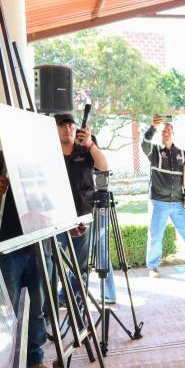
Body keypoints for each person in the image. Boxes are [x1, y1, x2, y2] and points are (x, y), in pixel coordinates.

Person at [0, 152, 57, 368]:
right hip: (7, 248)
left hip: (40, 244)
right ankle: (3, 365)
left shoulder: (41, 159)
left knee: (37, 309)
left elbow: (54, 199)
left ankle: (34, 360)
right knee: (6, 310)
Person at [52, 113, 117, 305]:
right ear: (55, 130)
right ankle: (53, 304)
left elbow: (103, 166)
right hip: (55, 218)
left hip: (82, 216)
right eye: (62, 126)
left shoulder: (85, 149)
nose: (67, 129)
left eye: (70, 125)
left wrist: (90, 143)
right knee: (52, 263)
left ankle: (76, 302)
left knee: (80, 265)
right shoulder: (49, 151)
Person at [142, 116, 185, 278]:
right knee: (156, 236)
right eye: (164, 131)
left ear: (173, 134)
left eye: (169, 131)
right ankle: (153, 267)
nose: (166, 133)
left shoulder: (182, 154)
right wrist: (152, 128)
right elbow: (144, 143)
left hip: (178, 202)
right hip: (159, 202)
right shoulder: (155, 151)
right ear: (161, 134)